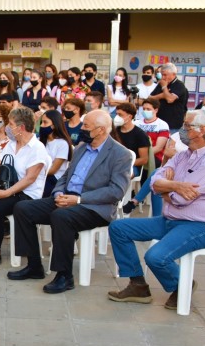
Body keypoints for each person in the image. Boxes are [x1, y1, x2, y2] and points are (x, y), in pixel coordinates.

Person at [109, 108, 205, 310]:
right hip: (171, 219)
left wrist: (167, 190)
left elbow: (182, 199)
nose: (182, 129)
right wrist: (174, 185)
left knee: (155, 256)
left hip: (201, 225)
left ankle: (181, 285)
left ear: (201, 130)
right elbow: (156, 177)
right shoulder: (185, 155)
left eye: (187, 126)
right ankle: (138, 285)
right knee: (119, 228)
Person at [9, 110, 132, 294]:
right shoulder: (82, 147)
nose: (81, 129)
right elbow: (66, 175)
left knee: (61, 217)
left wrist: (79, 199)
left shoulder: (120, 154)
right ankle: (34, 266)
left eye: (86, 126)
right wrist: (58, 192)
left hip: (94, 207)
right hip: (67, 198)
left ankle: (64, 276)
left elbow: (116, 191)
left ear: (100, 130)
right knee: (23, 208)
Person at [0, 107, 50, 269]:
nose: (8, 127)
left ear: (21, 128)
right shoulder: (11, 144)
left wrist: (6, 193)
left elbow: (30, 178)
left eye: (11, 124)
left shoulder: (37, 148)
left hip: (25, 193)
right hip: (4, 188)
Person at [41, 109, 73, 197]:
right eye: (41, 122)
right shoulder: (42, 141)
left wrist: (34, 172)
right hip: (41, 175)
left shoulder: (62, 143)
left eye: (45, 122)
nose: (41, 125)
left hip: (54, 179)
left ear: (54, 125)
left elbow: (53, 170)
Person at [150, 62, 189, 133]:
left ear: (173, 74)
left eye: (165, 75)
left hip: (173, 125)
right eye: (161, 75)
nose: (163, 77)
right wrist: (162, 95)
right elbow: (150, 98)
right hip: (160, 123)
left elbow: (170, 99)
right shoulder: (161, 83)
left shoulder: (179, 85)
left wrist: (164, 87)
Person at [115, 102, 150, 177]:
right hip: (114, 165)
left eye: (120, 115)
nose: (117, 117)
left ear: (129, 116)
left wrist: (125, 163)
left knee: (120, 176)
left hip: (132, 166)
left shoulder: (140, 134)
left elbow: (144, 159)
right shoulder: (114, 132)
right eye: (116, 114)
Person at [135, 97, 170, 167]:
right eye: (144, 109)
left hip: (154, 157)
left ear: (156, 110)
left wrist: (142, 156)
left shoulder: (162, 125)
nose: (145, 111)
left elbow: (159, 147)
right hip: (136, 155)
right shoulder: (136, 123)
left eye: (148, 109)